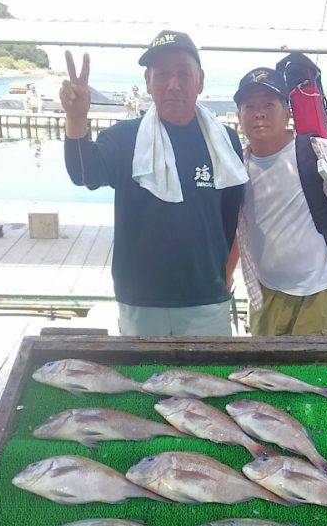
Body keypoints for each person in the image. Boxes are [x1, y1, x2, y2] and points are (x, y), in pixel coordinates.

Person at [61, 30, 248, 336]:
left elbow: (229, 215)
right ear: (148, 82)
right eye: (162, 75)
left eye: (183, 74)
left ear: (199, 81)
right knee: (144, 382)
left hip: (205, 299)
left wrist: (222, 275)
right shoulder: (124, 138)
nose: (173, 84)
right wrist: (77, 118)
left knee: (210, 380)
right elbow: (84, 174)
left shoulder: (224, 141)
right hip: (141, 300)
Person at [229, 67, 327, 337]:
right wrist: (226, 275)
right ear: (239, 116)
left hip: (317, 292)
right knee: (264, 373)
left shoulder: (319, 151)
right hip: (265, 292)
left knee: (314, 373)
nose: (259, 113)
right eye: (249, 106)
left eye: (269, 104)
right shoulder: (236, 168)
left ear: (287, 111)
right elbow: (235, 228)